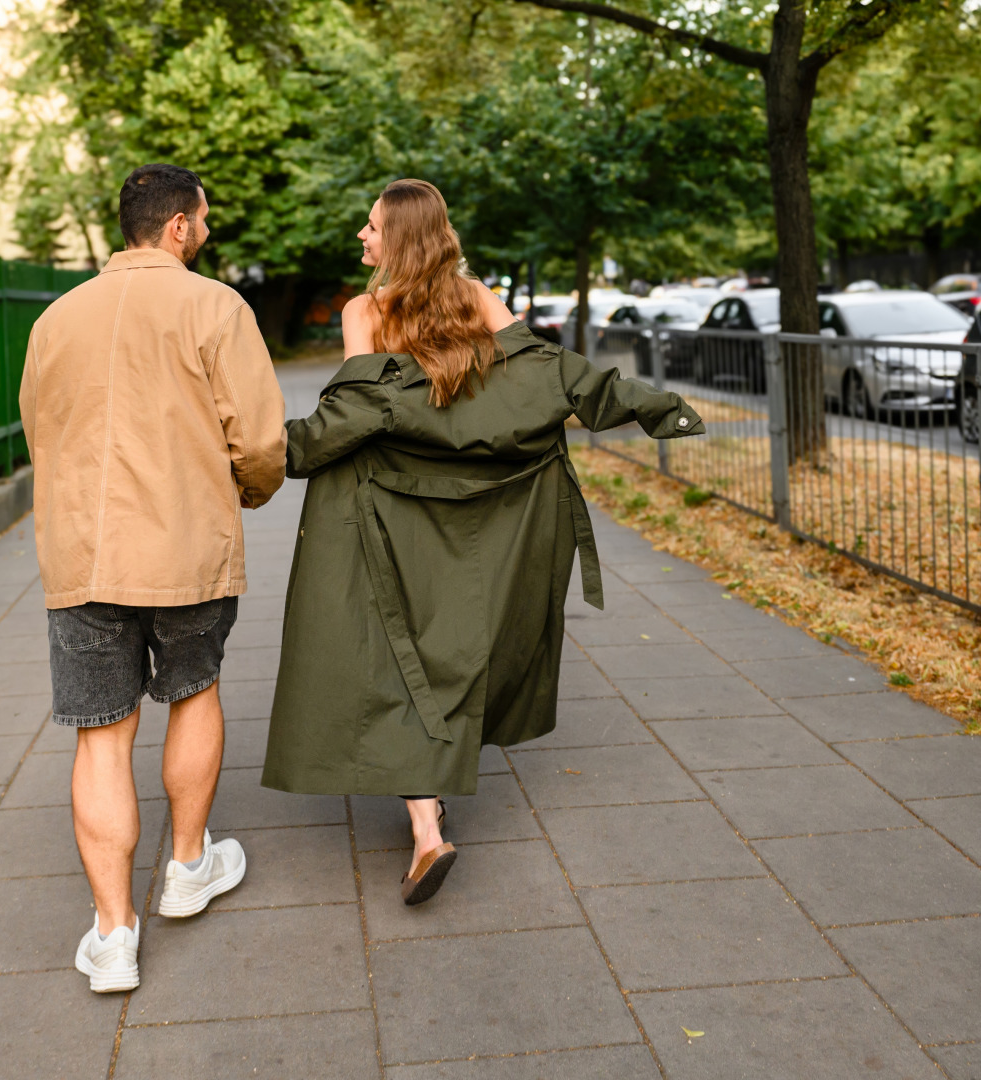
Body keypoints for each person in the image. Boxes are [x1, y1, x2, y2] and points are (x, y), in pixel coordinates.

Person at [261, 179, 704, 905]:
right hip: (473, 512)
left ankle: (426, 830)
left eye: (371, 228)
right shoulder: (477, 301)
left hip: (384, 509)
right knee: (446, 643)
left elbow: (358, 409)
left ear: (399, 237)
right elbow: (544, 379)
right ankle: (428, 820)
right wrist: (651, 406)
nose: (362, 238)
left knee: (389, 649)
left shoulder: (363, 311)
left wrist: (277, 454)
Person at [19, 163, 286, 992]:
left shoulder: (57, 317)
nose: (204, 230)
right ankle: (185, 867)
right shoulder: (215, 307)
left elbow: (38, 426)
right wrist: (239, 491)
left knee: (100, 737)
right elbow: (263, 442)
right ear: (178, 226)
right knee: (193, 693)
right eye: (202, 219)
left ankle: (112, 937)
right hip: (184, 549)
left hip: (83, 555)